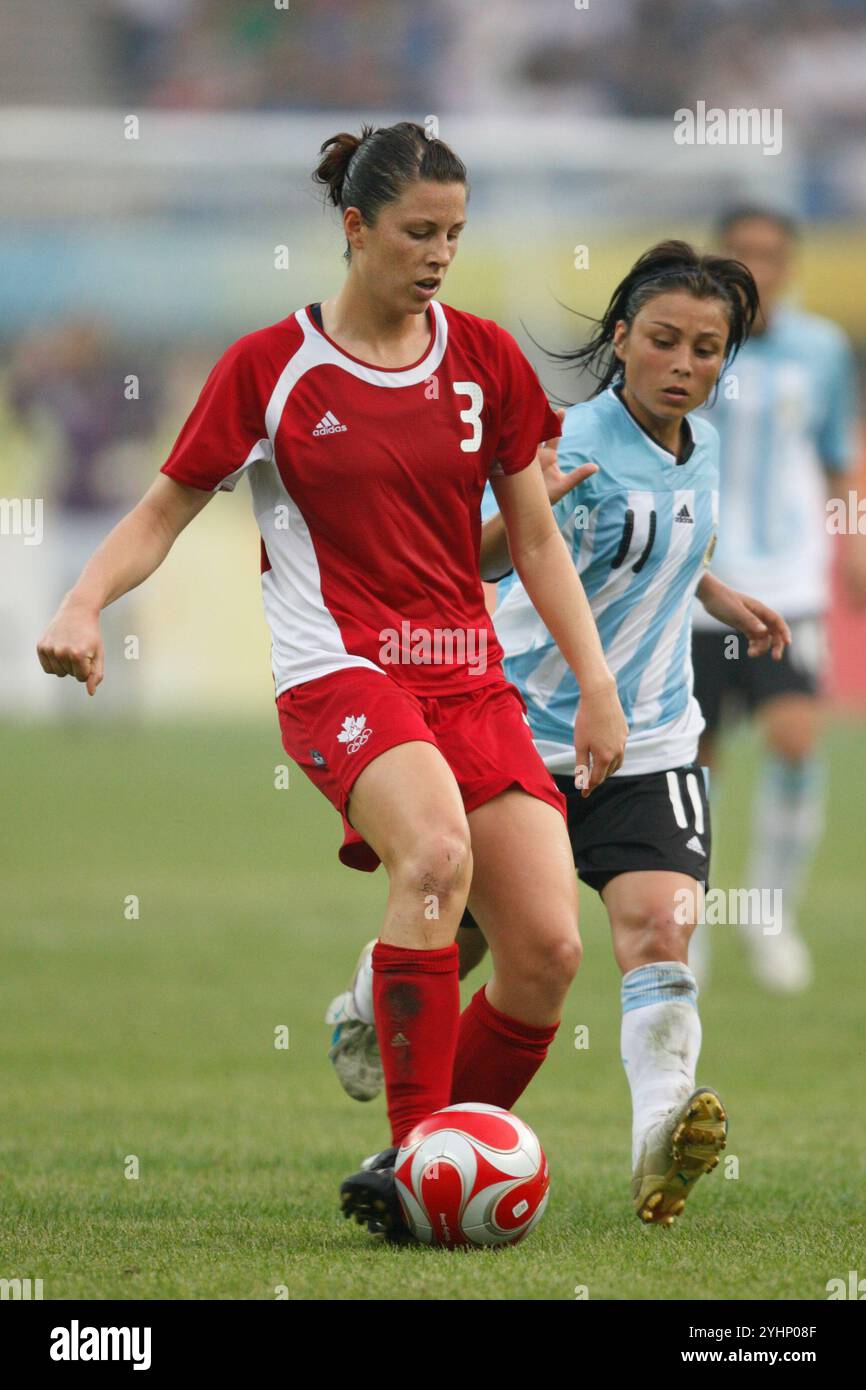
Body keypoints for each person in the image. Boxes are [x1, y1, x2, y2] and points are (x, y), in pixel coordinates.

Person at [35, 121, 627, 1244]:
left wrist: (593, 683)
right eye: (418, 230)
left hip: (471, 676)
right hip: (339, 670)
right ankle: (417, 1166)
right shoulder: (270, 368)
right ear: (354, 229)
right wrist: (80, 603)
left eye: (454, 231)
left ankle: (434, 1147)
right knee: (436, 856)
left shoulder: (487, 358)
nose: (440, 251)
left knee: (546, 953)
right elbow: (166, 507)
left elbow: (531, 544)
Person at [328, 239, 791, 1227]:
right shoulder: (553, 435)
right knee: (465, 944)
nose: (684, 364)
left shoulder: (700, 446)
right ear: (620, 337)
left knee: (656, 926)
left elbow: (656, 537)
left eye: (707, 349)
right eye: (663, 340)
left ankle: (659, 1130)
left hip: (652, 738)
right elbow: (472, 556)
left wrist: (718, 594)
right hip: (520, 738)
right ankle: (376, 998)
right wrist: (518, 523)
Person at [690, 207, 866, 993]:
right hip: (697, 592)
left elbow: (837, 458)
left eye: (772, 254)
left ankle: (772, 917)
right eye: (743, 252)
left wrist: (853, 540)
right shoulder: (691, 340)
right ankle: (683, 920)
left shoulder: (822, 350)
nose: (757, 267)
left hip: (790, 589)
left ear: (791, 265)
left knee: (797, 741)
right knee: (694, 763)